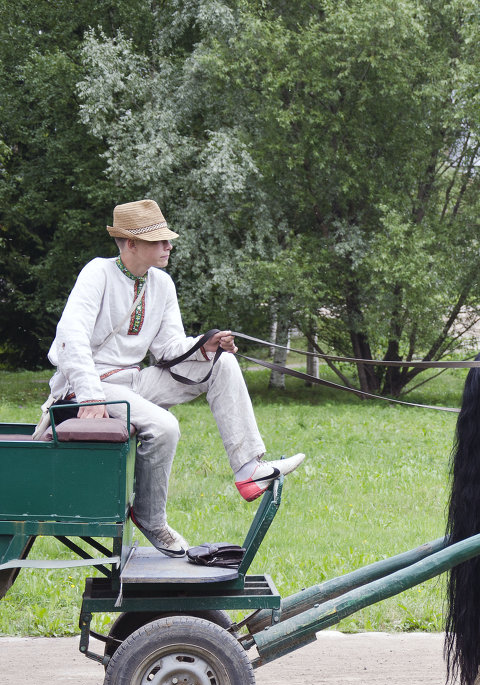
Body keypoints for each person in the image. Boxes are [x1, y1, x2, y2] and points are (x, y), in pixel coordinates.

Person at [44, 199, 304, 557]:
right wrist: (90, 397)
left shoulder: (162, 284)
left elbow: (167, 348)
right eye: (159, 240)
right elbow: (71, 336)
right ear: (131, 243)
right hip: (87, 385)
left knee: (222, 363)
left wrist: (205, 345)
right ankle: (151, 519)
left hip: (134, 383)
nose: (168, 246)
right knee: (165, 426)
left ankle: (249, 469)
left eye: (167, 239)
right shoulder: (98, 273)